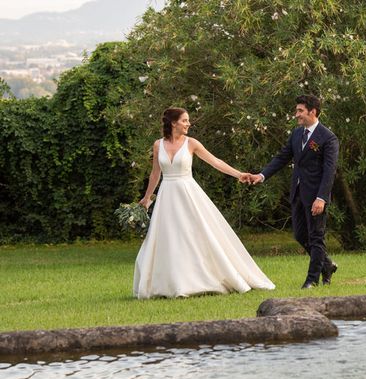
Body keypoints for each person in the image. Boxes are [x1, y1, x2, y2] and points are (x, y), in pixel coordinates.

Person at [133, 107, 275, 299]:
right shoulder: (158, 145)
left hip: (188, 193)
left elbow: (215, 162)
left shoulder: (191, 143)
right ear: (173, 123)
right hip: (167, 195)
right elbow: (155, 173)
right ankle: (172, 283)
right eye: (184, 121)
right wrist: (147, 197)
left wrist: (239, 174)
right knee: (169, 238)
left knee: (196, 234)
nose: (188, 124)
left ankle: (199, 279)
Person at [247, 94, 338, 289]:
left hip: (316, 196)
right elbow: (282, 158)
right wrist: (261, 176)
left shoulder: (328, 138)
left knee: (316, 237)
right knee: (299, 235)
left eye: (300, 111)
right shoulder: (297, 134)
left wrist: (321, 198)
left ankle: (312, 280)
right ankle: (327, 264)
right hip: (297, 193)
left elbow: (330, 172)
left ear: (312, 112)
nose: (296, 115)